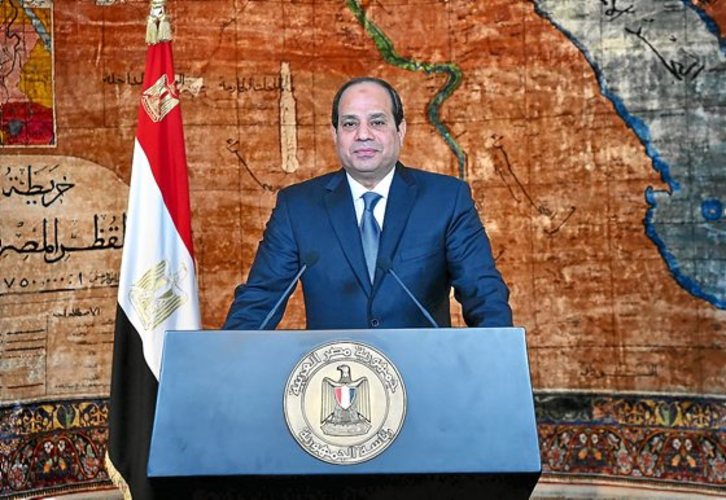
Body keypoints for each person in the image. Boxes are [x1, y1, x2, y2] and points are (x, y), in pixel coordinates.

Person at [223, 77, 512, 330]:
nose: (363, 134)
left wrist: (499, 361)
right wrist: (226, 363)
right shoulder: (297, 207)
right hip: (335, 372)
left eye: (377, 122)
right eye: (350, 124)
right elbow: (260, 302)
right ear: (335, 134)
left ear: (400, 130)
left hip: (421, 369)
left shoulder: (446, 199)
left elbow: (484, 295)